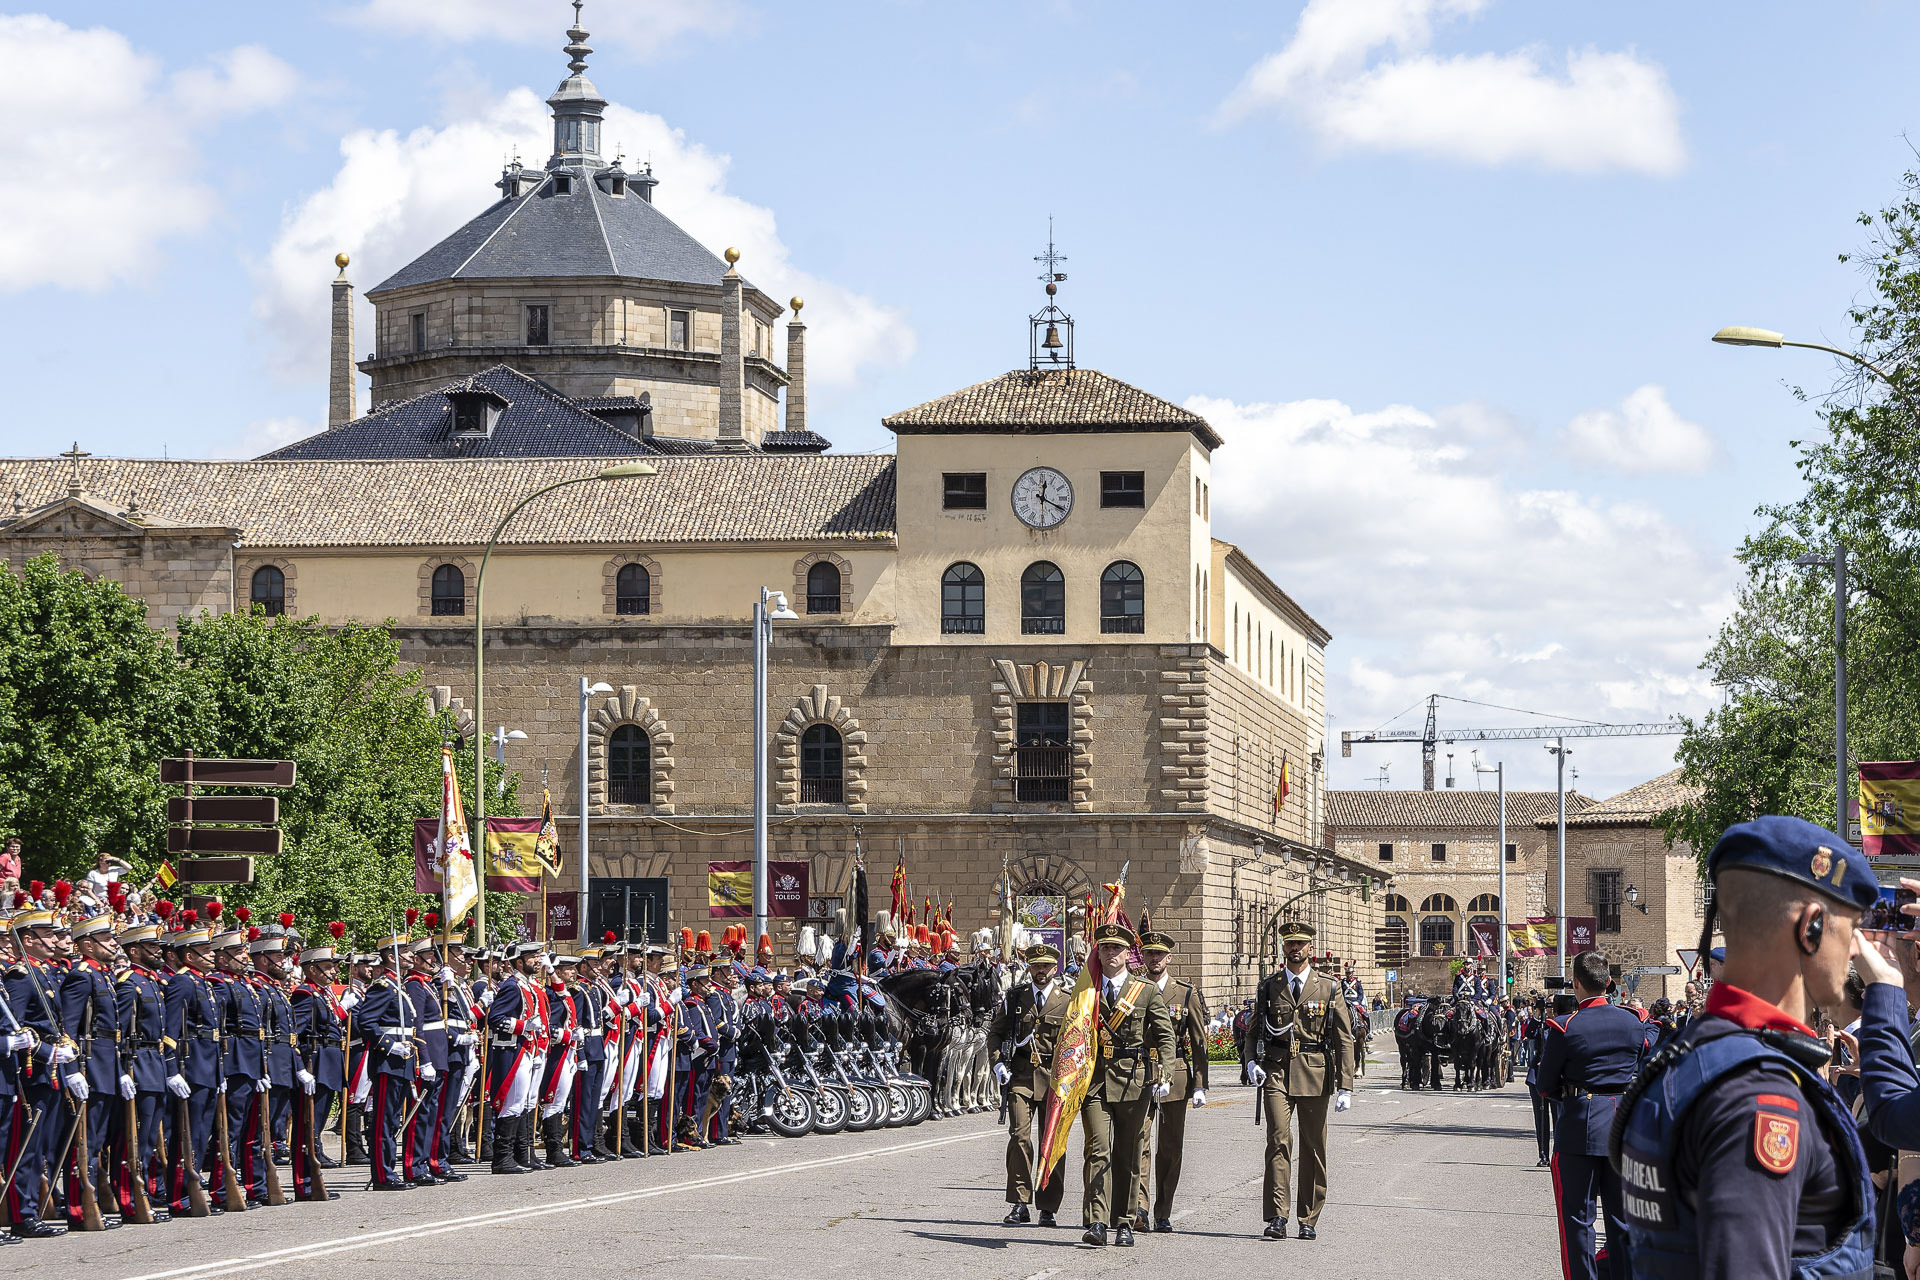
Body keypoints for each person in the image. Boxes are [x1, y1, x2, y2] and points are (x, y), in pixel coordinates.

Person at [1616, 815, 1881, 1279]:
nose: (1856, 948)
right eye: (1851, 926)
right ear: (1812, 928)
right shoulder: (1759, 1098)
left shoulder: (1693, 1055)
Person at [1535, 951, 1644, 1280]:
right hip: (1624, 1126)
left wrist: (1573, 1096)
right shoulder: (1633, 1021)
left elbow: (1544, 1085)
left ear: (1575, 983)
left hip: (1581, 1125)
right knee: (1623, 1220)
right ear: (1609, 983)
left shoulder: (1566, 1026)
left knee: (1578, 1221)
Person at [1246, 920, 1353, 1241]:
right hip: (1276, 1069)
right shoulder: (1269, 987)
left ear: (1310, 949)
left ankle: (1308, 1217)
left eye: (1301, 944)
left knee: (1313, 1146)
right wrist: (1251, 1061)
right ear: (1283, 948)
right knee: (1278, 1140)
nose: (1295, 949)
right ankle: (1277, 1216)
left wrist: (1346, 1086)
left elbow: (1344, 1038)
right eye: (1290, 943)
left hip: (1315, 1072)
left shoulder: (1329, 987)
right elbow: (1253, 1030)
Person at [1076, 921, 1172, 1248]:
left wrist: (1165, 1074)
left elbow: (1164, 1036)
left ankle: (1125, 1220)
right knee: (1097, 1150)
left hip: (1134, 1080)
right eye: (1105, 947)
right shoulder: (1086, 989)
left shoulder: (1144, 991)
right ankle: (1097, 1222)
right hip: (1095, 1083)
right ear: (1098, 952)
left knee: (1128, 1155)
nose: (1110, 953)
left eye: (1117, 948)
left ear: (1126, 953)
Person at [1132, 925, 1208, 1234]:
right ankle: (1140, 1207)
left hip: (1174, 1074)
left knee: (1170, 1148)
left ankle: (1163, 1209)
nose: (1154, 959)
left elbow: (1200, 1042)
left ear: (1169, 957)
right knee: (1139, 1142)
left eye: (1159, 954)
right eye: (1149, 953)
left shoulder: (1184, 993)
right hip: (1140, 1072)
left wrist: (1201, 1083)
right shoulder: (1133, 989)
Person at [991, 942, 1069, 1227]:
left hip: (1054, 1079)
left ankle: (1047, 1207)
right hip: (1021, 1077)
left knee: (1052, 1143)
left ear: (1054, 968)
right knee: (1019, 1137)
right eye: (1036, 966)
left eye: (1046, 966)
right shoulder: (1015, 997)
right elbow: (996, 1033)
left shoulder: (1067, 1000)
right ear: (1030, 968)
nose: (1041, 971)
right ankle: (1020, 1202)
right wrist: (998, 1062)